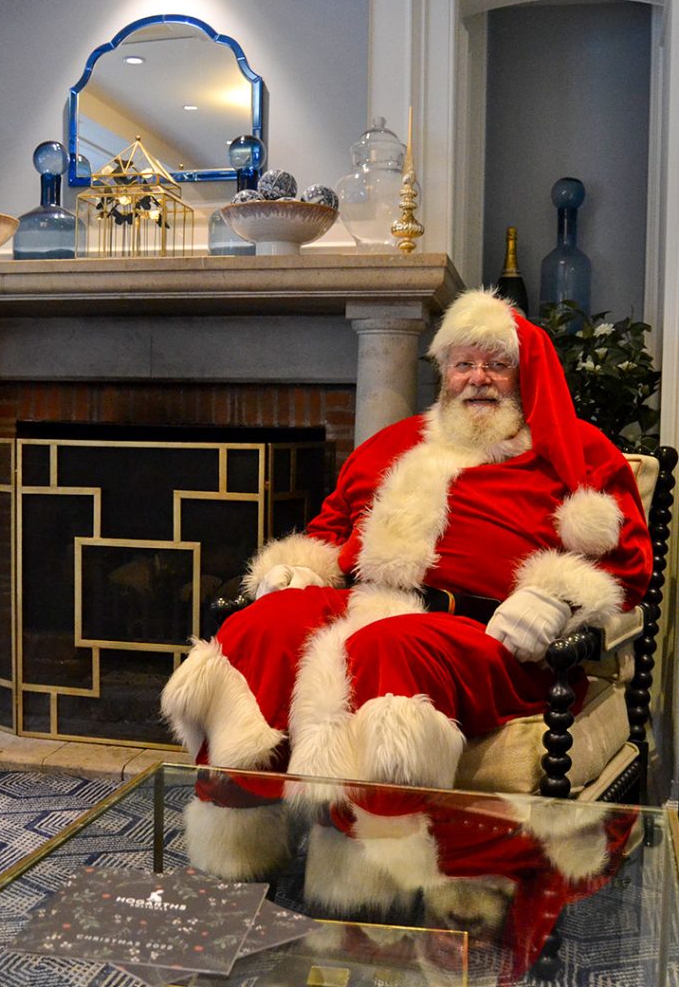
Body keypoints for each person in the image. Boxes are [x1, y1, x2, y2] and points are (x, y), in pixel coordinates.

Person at [160, 288, 653, 902]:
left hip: (485, 637)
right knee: (263, 623)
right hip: (365, 597)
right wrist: (296, 570)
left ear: (521, 374)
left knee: (387, 649)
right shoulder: (393, 444)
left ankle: (371, 879)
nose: (478, 379)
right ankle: (237, 844)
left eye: (496, 364)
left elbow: (629, 565)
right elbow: (330, 528)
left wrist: (557, 596)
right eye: (463, 363)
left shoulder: (576, 452)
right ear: (443, 371)